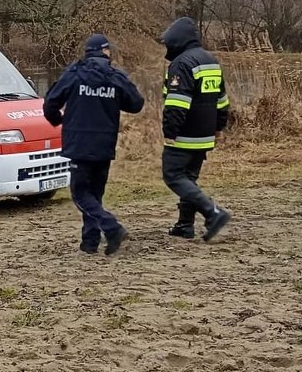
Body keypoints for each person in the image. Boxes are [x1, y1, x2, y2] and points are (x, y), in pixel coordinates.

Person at [43, 34, 145, 255]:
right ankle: (89, 242)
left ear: (87, 51)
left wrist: (57, 120)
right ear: (106, 52)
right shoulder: (115, 76)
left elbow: (50, 102)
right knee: (94, 195)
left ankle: (111, 227)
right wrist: (114, 99)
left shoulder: (74, 73)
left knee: (80, 194)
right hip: (104, 144)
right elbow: (136, 104)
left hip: (79, 145)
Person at [161, 17, 231, 241]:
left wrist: (169, 132)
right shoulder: (211, 61)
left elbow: (176, 104)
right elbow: (222, 100)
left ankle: (213, 212)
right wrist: (219, 126)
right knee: (188, 178)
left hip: (185, 134)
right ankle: (185, 225)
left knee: (173, 176)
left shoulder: (182, 63)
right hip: (205, 134)